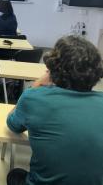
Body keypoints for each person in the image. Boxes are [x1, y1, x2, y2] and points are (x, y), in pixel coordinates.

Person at [7, 36, 103, 185]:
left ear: (51, 69)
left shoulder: (33, 98)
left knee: (15, 174)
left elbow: (13, 124)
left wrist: (37, 84)